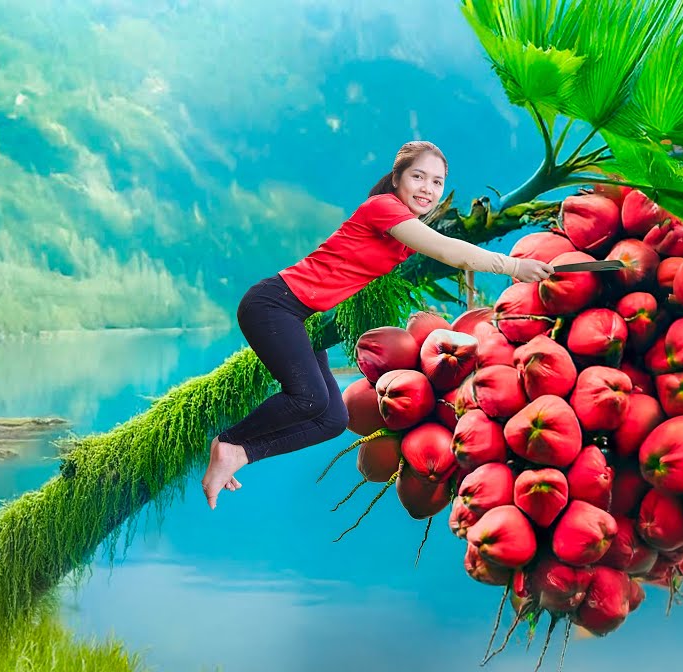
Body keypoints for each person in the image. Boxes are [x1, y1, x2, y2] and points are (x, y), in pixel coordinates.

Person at [200, 140, 554, 509]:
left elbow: (436, 243)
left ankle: (242, 453)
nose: (428, 189)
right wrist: (514, 266)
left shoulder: (404, 229)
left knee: (333, 419)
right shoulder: (383, 208)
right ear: (397, 178)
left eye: (437, 182)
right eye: (418, 177)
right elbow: (448, 251)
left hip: (302, 317)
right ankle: (229, 443)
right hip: (274, 305)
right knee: (307, 399)